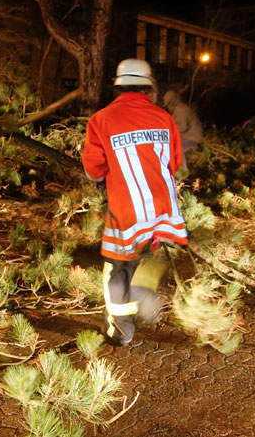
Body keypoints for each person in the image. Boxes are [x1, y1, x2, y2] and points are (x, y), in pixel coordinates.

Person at [82, 59, 188, 346]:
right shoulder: (164, 117)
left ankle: (121, 330)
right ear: (148, 88)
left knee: (117, 265)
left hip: (126, 209)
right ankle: (143, 287)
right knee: (154, 253)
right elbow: (175, 162)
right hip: (163, 207)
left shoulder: (101, 119)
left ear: (118, 88)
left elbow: (94, 168)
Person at [162, 89, 203, 161]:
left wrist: (168, 132)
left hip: (191, 137)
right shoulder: (179, 108)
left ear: (172, 102)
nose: (168, 107)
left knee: (175, 147)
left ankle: (182, 169)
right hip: (189, 136)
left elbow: (182, 127)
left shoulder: (180, 110)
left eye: (168, 105)